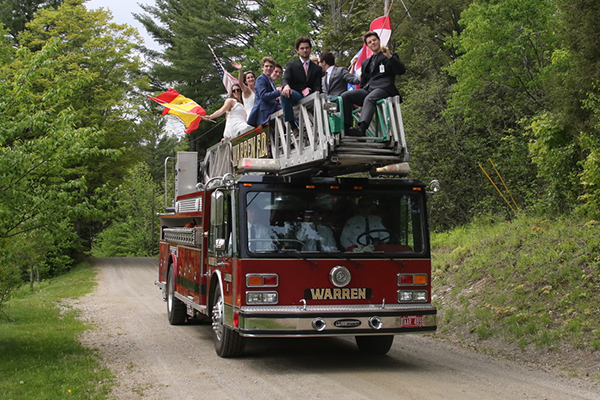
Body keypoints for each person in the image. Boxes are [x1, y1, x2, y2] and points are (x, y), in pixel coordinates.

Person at [340, 31, 406, 136]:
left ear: (379, 41)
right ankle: (347, 128)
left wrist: (389, 56)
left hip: (384, 88)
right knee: (345, 96)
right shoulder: (366, 63)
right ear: (367, 46)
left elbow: (400, 71)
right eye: (370, 42)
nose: (373, 43)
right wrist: (361, 90)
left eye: (374, 40)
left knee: (370, 98)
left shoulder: (390, 56)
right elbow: (364, 81)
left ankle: (362, 129)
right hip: (369, 89)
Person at [280, 36, 322, 129]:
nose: (305, 50)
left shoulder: (317, 68)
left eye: (307, 48)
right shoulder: (291, 65)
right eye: (302, 48)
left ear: (310, 49)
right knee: (284, 94)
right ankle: (292, 125)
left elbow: (317, 86)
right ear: (297, 50)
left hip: (311, 95)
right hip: (296, 94)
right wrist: (286, 86)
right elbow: (285, 78)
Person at [247, 56, 282, 127]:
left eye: (271, 66)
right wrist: (278, 92)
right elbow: (263, 96)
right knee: (286, 110)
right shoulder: (261, 79)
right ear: (262, 67)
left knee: (289, 108)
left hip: (272, 108)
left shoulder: (270, 81)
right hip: (265, 112)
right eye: (266, 66)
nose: (269, 68)